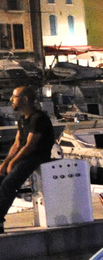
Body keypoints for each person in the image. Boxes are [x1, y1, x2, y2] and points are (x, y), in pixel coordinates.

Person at [0, 85, 54, 230]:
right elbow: (17, 143)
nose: (11, 99)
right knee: (1, 177)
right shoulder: (22, 119)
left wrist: (13, 162)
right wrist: (5, 162)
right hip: (25, 156)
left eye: (14, 96)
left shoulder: (38, 119)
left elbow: (30, 145)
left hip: (37, 156)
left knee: (9, 184)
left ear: (25, 99)